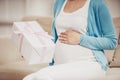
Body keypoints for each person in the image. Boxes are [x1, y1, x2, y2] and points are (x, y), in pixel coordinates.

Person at [23, 0, 118, 80]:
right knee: (29, 78)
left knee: (42, 76)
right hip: (61, 65)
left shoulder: (97, 4)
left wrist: (80, 39)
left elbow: (112, 42)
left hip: (89, 63)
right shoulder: (59, 3)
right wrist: (34, 46)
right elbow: (57, 38)